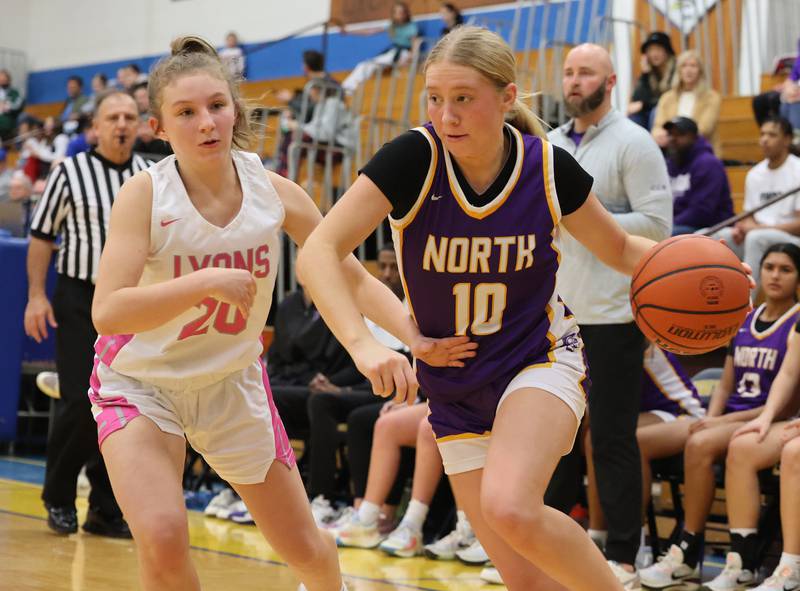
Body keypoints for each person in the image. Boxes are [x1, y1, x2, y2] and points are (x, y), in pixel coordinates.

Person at [297, 26, 686, 591]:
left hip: (539, 361)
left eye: (463, 99)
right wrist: (369, 341)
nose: (446, 114)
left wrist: (697, 265)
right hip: (453, 386)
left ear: (506, 98)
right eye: (435, 98)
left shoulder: (548, 167)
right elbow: (319, 252)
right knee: (523, 578)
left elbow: (623, 248)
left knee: (509, 506)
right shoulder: (412, 158)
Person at [87, 36, 466, 591]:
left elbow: (349, 272)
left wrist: (410, 334)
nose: (207, 123)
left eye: (217, 105)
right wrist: (205, 282)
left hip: (231, 383)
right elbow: (108, 311)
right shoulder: (145, 195)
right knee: (164, 537)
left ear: (235, 108)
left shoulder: (275, 192)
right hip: (141, 384)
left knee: (308, 549)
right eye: (186, 113)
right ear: (160, 127)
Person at [549, 43, 672, 588]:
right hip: (554, 317)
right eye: (570, 73)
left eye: (586, 73)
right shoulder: (548, 144)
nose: (574, 82)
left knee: (613, 438)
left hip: (615, 314)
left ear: (612, 80)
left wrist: (589, 218)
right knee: (552, 439)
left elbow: (657, 227)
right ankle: (551, 549)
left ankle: (624, 553)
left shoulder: (635, 143)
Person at [638, 243, 800, 590]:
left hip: (765, 418)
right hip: (736, 417)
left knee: (702, 442)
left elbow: (783, 397)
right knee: (700, 435)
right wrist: (712, 415)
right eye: (769, 266)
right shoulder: (743, 318)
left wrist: (721, 422)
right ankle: (691, 550)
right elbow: (725, 384)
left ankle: (695, 548)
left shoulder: (795, 322)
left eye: (785, 269)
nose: (774, 275)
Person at [24, 88, 145, 538]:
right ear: (95, 127)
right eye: (112, 116)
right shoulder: (69, 173)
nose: (121, 124)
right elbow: (41, 237)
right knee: (80, 401)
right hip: (80, 298)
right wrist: (37, 296)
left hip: (134, 304)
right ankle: (57, 496)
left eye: (129, 116)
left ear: (141, 124)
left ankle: (105, 508)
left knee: (124, 406)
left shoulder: (150, 175)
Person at [584, 343, 705, 557]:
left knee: (623, 440)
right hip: (647, 416)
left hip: (683, 415)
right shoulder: (582, 342)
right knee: (595, 437)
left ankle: (635, 546)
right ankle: (596, 536)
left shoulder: (631, 342)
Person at [713, 116, 800, 287]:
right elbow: (748, 216)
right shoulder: (754, 174)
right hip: (758, 234)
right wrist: (744, 227)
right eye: (762, 134)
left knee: (755, 237)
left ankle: (747, 304)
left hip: (791, 240)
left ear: (787, 140)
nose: (765, 140)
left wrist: (756, 229)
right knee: (720, 236)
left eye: (772, 135)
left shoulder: (798, 169)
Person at [664, 116, 733, 234]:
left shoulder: (708, 164)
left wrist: (668, 225)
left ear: (693, 137)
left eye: (679, 134)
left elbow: (701, 211)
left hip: (709, 226)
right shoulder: (671, 163)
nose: (673, 139)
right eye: (670, 134)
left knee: (663, 236)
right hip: (679, 224)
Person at [341, 2, 421, 95]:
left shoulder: (411, 26)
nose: (400, 15)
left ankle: (346, 89)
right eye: (397, 12)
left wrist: (410, 58)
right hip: (393, 53)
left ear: (406, 13)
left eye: (402, 12)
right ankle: (345, 89)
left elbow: (415, 44)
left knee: (367, 66)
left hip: (403, 54)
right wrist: (349, 32)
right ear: (393, 14)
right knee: (364, 65)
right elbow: (369, 31)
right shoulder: (391, 25)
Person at [651, 49, 722, 154]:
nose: (688, 70)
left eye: (693, 66)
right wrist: (658, 134)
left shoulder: (712, 97)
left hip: (701, 150)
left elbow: (704, 129)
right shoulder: (667, 98)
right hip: (672, 150)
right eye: (684, 66)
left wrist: (674, 137)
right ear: (679, 71)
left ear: (700, 71)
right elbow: (658, 126)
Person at [629, 32, 677, 130]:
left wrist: (644, 105)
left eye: (658, 49)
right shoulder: (649, 73)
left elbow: (671, 98)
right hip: (652, 112)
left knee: (656, 112)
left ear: (667, 51)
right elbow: (637, 99)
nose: (654, 54)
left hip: (673, 111)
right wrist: (645, 75)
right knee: (634, 117)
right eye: (650, 50)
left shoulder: (676, 69)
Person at [0, 69, 24, 141]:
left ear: (9, 80)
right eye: (0, 81)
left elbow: (18, 106)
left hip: (9, 119)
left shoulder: (15, 92)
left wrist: (5, 106)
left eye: (4, 80)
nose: (2, 82)